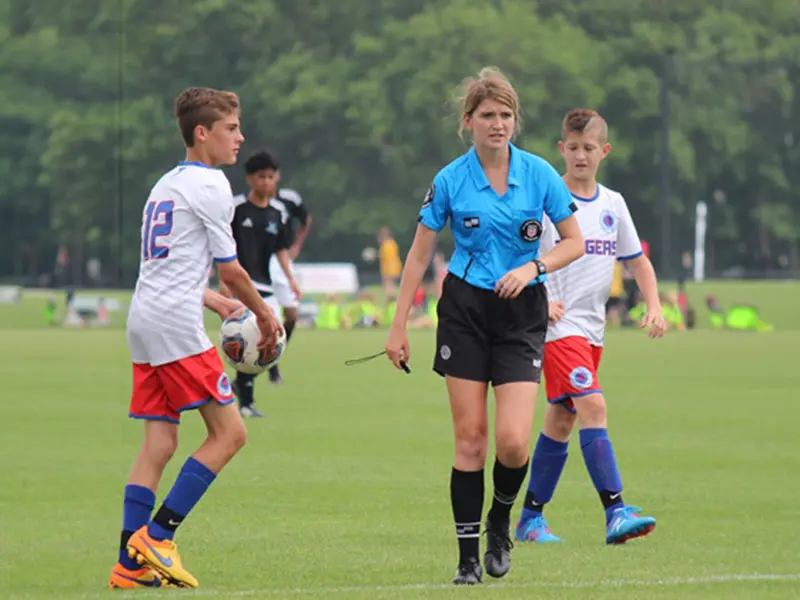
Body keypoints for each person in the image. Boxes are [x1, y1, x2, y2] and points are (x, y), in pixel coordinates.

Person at [385, 67, 585, 585]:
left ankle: (501, 518)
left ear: (516, 121)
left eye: (506, 115)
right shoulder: (450, 179)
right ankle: (468, 558)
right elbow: (417, 256)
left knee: (514, 442)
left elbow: (573, 242)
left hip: (521, 314)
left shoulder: (540, 173)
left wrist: (532, 267)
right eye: (487, 116)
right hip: (465, 312)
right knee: (471, 440)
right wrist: (398, 326)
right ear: (468, 121)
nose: (498, 124)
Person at [110, 87, 283, 590]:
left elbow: (167, 266)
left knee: (159, 443)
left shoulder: (166, 183)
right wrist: (262, 312)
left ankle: (128, 561)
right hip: (174, 327)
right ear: (201, 133)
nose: (240, 137)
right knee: (231, 434)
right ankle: (158, 538)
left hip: (145, 320)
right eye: (232, 128)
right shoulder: (210, 187)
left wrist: (213, 301)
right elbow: (231, 271)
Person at [515, 109, 666, 548]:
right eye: (573, 148)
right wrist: (539, 300)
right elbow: (515, 255)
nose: (581, 156)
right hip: (560, 331)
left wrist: (654, 306)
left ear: (605, 151)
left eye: (589, 148)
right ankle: (615, 510)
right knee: (593, 407)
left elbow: (637, 261)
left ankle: (529, 519)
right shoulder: (546, 200)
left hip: (593, 331)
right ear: (561, 149)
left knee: (562, 420)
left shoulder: (612, 204)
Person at [227, 150, 302, 417]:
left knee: (273, 339)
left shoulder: (277, 213)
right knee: (246, 337)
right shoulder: (236, 210)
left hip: (267, 288)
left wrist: (291, 279)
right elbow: (225, 248)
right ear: (250, 179)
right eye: (262, 177)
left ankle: (242, 383)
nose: (267, 183)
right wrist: (224, 283)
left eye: (271, 177)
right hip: (241, 286)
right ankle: (246, 403)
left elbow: (281, 249)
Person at [250, 150, 311, 385]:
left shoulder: (289, 200)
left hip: (281, 260)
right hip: (259, 266)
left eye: (271, 176)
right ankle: (261, 368)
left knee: (292, 316)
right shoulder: (250, 205)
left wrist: (296, 246)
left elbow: (306, 220)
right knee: (264, 317)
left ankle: (273, 357)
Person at [377, 226, 403, 298]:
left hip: (389, 268)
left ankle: (391, 298)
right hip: (395, 266)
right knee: (392, 284)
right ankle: (393, 297)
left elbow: (386, 256)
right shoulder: (392, 243)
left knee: (388, 284)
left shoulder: (386, 244)